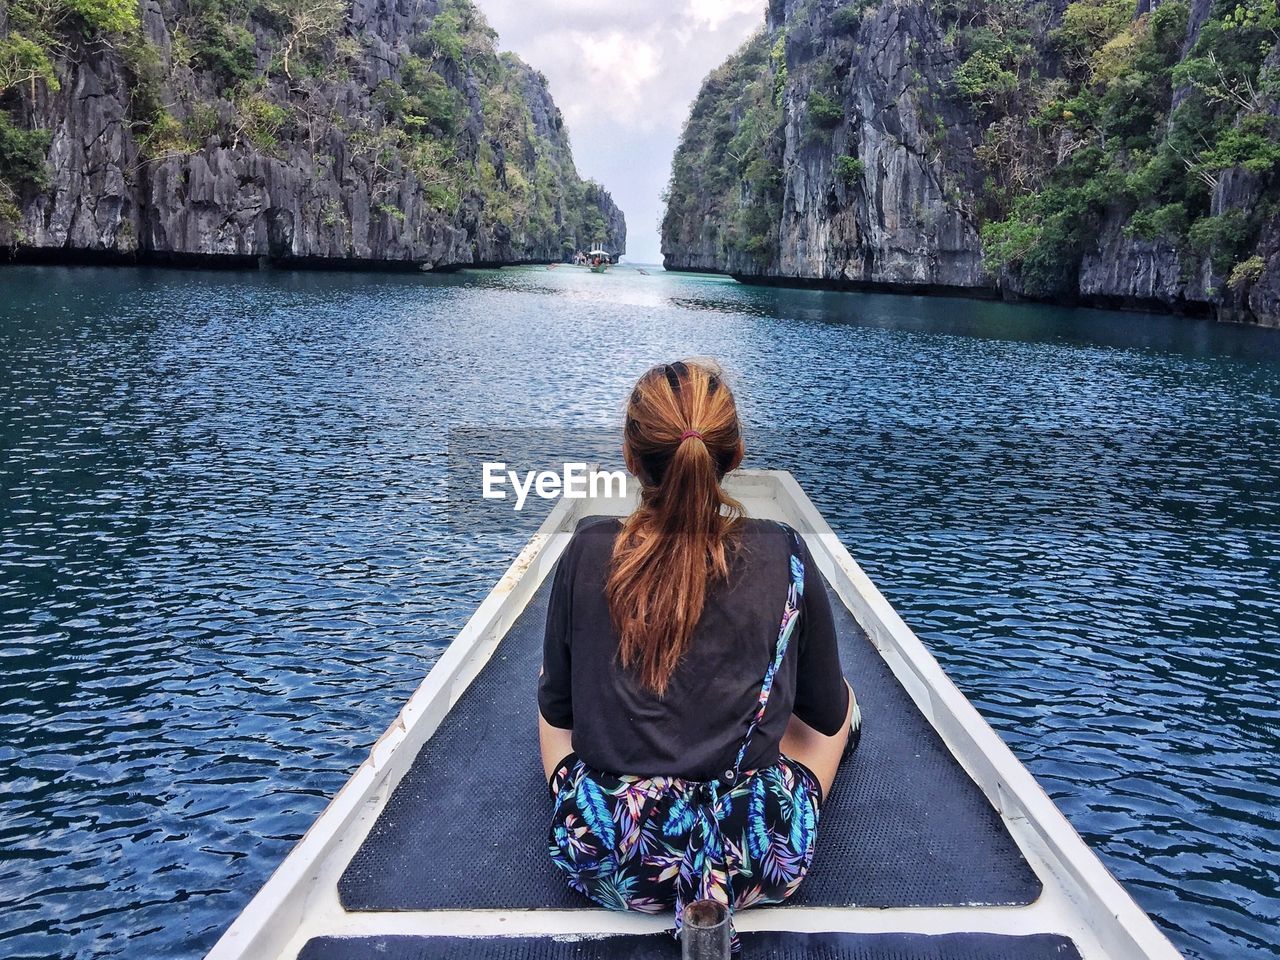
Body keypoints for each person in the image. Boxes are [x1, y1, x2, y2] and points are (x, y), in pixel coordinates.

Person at [539, 359, 860, 946]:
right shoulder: (785, 553)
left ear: (631, 458)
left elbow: (560, 713)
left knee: (549, 708)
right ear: (733, 456)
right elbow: (825, 716)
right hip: (747, 859)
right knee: (838, 721)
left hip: (608, 854)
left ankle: (583, 800)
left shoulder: (586, 549)